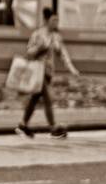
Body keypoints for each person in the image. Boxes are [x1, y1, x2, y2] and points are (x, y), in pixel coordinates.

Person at [16, 7, 80, 139]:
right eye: (53, 20)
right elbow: (29, 52)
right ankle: (53, 128)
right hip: (38, 72)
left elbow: (63, 54)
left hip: (48, 73)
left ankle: (23, 125)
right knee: (48, 99)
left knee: (34, 100)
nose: (56, 22)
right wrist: (39, 47)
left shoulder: (56, 37)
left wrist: (72, 68)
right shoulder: (38, 34)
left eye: (57, 20)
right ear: (46, 20)